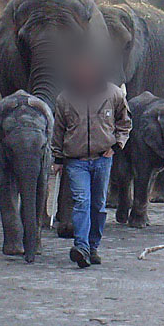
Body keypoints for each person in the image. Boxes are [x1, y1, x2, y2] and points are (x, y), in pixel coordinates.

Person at [51, 56, 132, 268]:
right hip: (75, 161)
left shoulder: (113, 93)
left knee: (98, 205)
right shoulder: (64, 98)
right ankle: (81, 246)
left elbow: (125, 122)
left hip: (102, 158)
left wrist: (117, 146)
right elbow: (58, 130)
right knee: (81, 202)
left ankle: (93, 246)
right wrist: (58, 158)